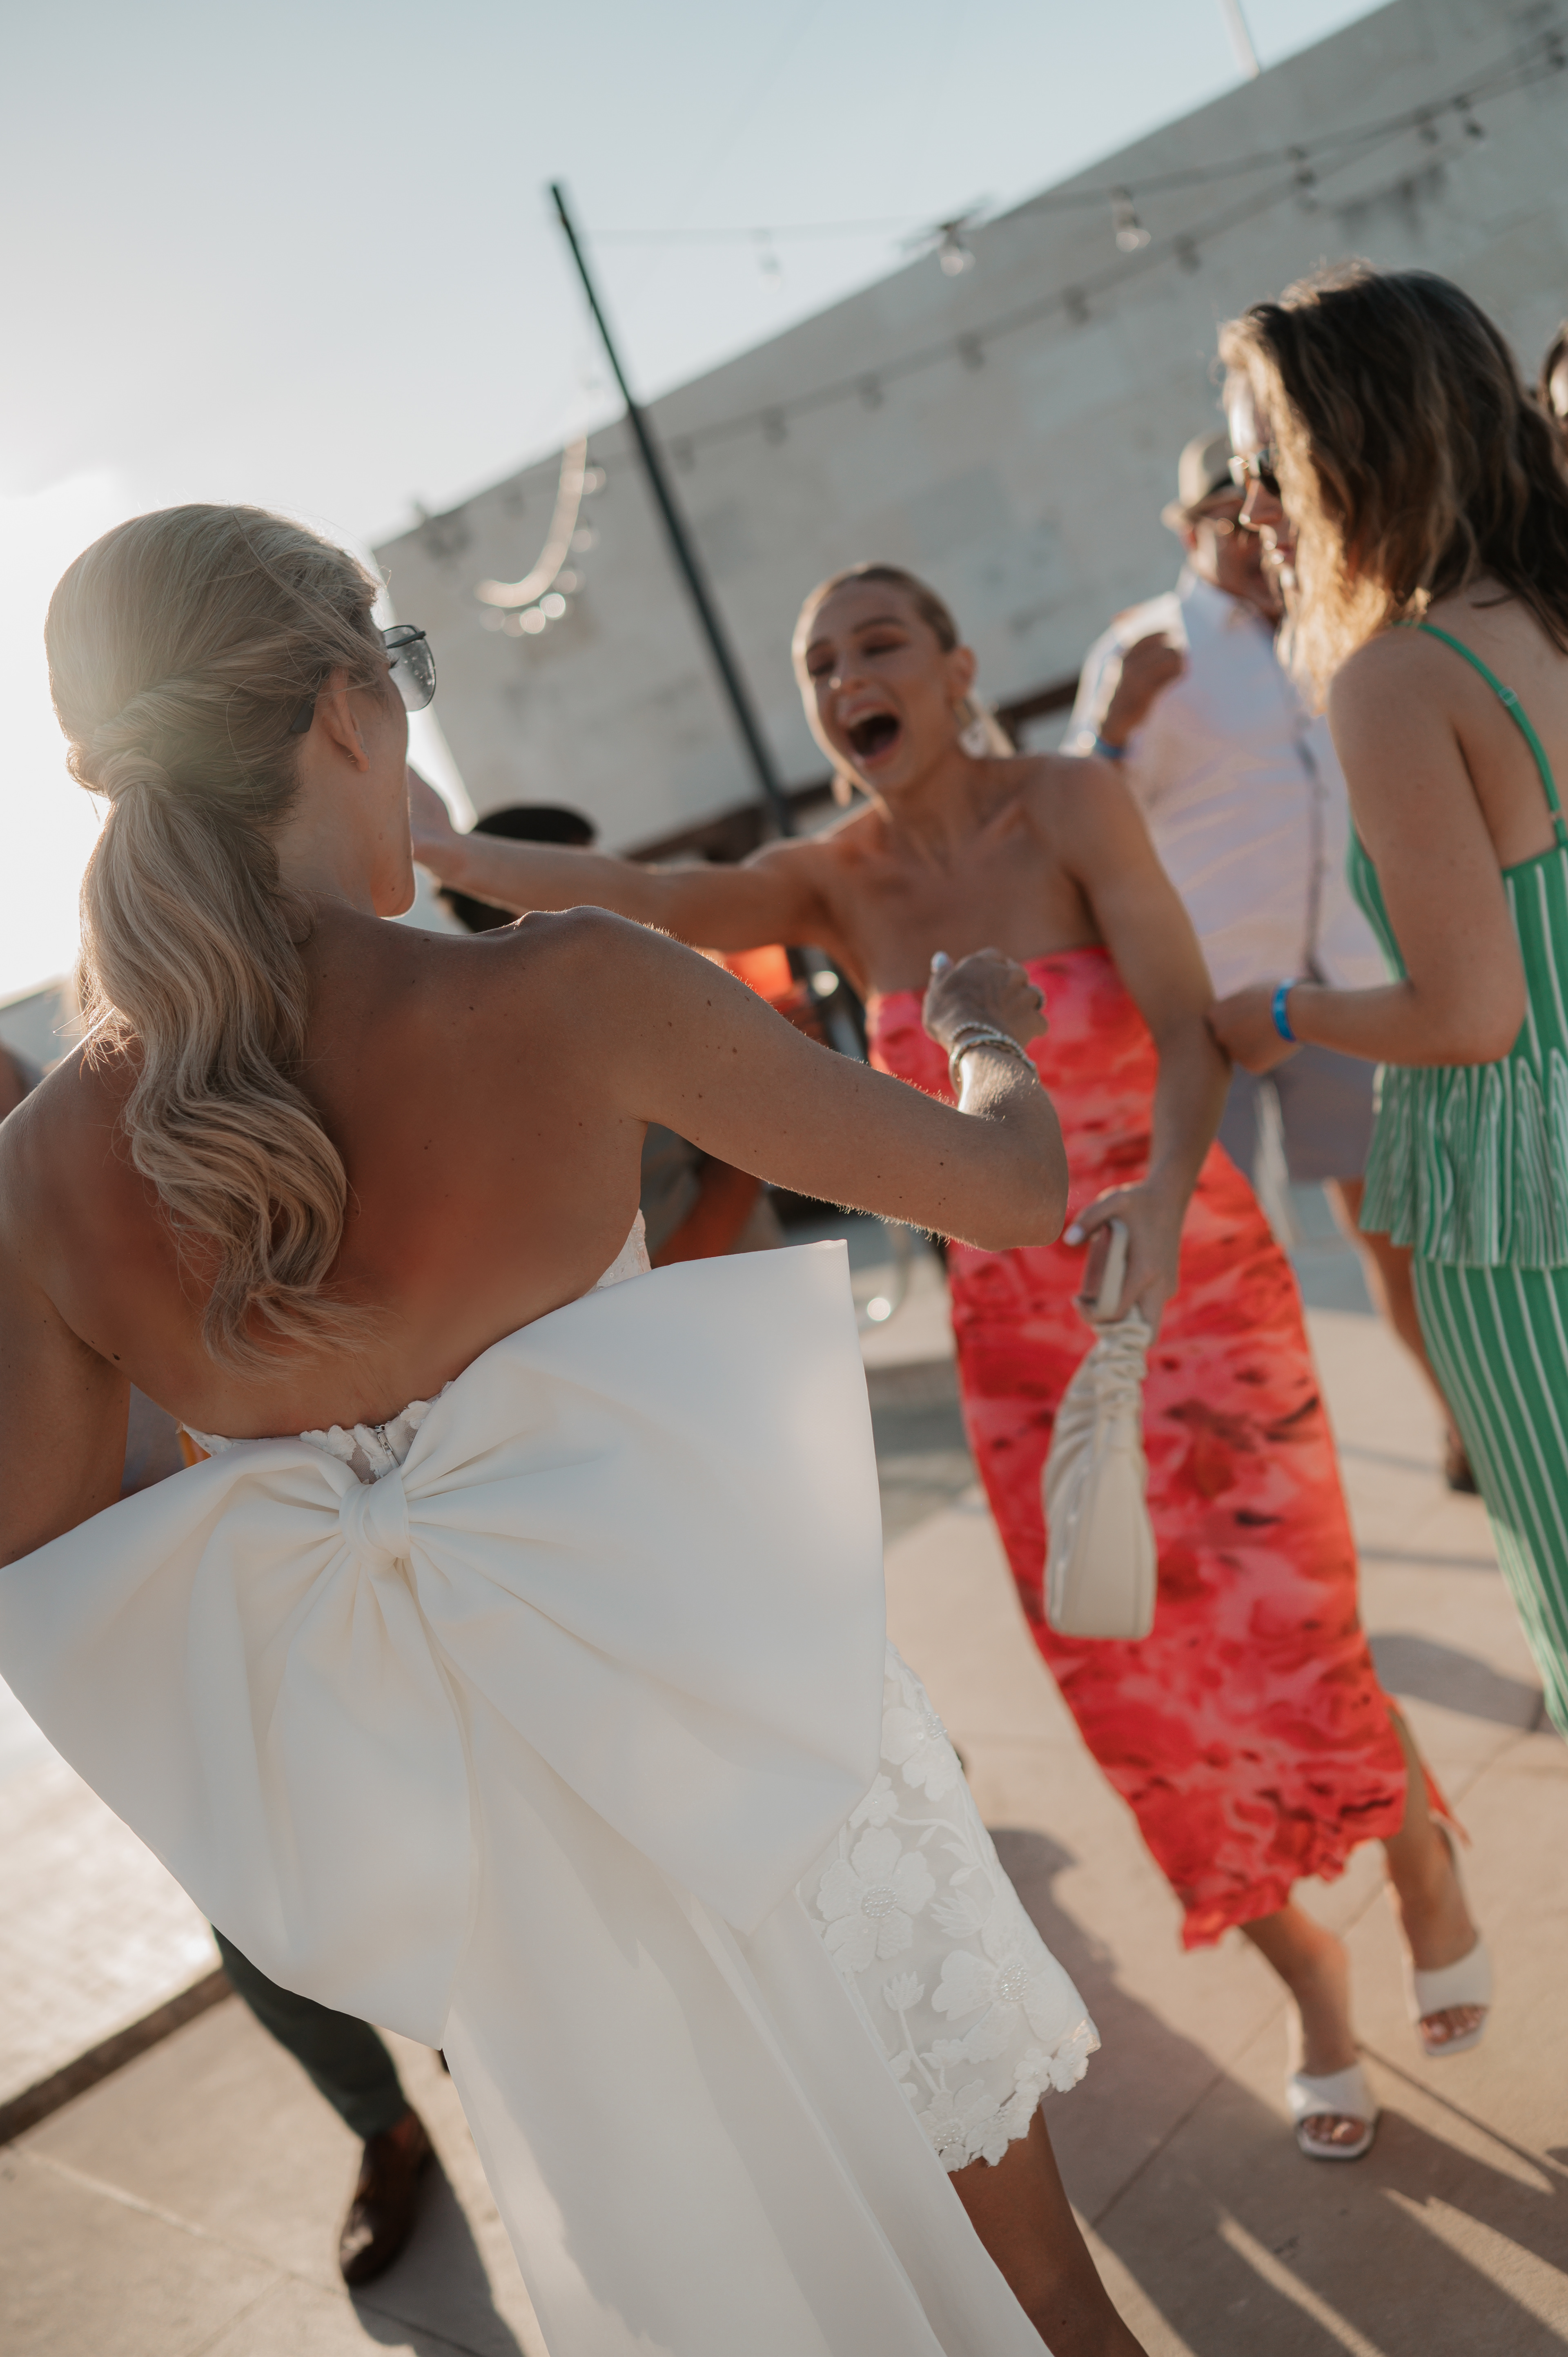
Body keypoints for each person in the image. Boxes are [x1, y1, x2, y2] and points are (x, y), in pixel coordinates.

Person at [0, 504, 1149, 2357]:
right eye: (402, 671)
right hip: (764, 1744)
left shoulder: (37, 1182)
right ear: (344, 707)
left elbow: (78, 1611)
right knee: (1041, 2295)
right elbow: (1009, 1191)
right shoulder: (567, 992)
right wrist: (985, 1030)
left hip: (500, 1885)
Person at [407, 558, 1483, 2164]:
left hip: (1188, 1273)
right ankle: (1310, 1975)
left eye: (881, 642)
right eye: (821, 662)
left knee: (1291, 1623)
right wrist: (434, 848)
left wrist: (1162, 1199)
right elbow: (639, 892)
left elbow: (1185, 1025)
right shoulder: (834, 882)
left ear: (957, 665)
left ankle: (1419, 1860)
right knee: (1131, 1678)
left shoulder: (1072, 804)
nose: (851, 677)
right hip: (1020, 1337)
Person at [1209, 263, 1568, 1779]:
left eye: (1262, 460)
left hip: (1521, 1212)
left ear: (1352, 448)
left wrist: (1278, 1010)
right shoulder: (1544, 610)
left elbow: (1471, 1017)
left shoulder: (1402, 678)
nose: (1246, 506)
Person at [1070, 433, 1473, 1488]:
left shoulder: (1336, 622)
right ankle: (1257, 1481)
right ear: (1189, 532)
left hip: (1339, 982)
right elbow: (1079, 823)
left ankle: (1462, 1425)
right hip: (1203, 1009)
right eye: (1225, 515)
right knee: (1227, 1256)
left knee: (1393, 1233)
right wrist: (1113, 727)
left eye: (1264, 503)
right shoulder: (1142, 649)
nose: (1251, 533)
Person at [441, 801, 783, 1260]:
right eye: (591, 868)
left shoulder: (493, 1038)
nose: (613, 884)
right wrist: (750, 1094)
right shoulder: (585, 1034)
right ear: (530, 887)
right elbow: (672, 1252)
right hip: (722, 1292)